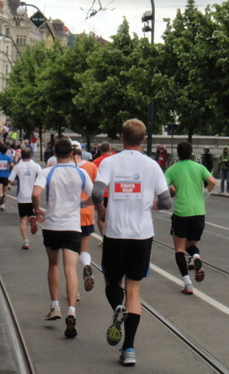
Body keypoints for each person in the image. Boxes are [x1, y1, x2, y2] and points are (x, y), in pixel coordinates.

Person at [92, 119, 172, 367]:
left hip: (116, 232)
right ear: (144, 138)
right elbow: (166, 202)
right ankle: (128, 349)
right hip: (141, 234)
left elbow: (96, 192)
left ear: (122, 137)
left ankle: (118, 306)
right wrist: (153, 205)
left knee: (111, 281)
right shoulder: (152, 166)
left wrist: (102, 210)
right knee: (134, 289)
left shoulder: (110, 162)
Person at [32, 138, 93, 339]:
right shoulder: (80, 173)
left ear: (54, 153)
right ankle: (72, 310)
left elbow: (35, 193)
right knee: (70, 269)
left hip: (52, 225)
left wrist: (36, 209)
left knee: (53, 265)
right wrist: (84, 203)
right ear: (72, 153)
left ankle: (55, 306)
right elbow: (97, 195)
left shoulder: (47, 172)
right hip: (72, 227)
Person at [165, 141, 217, 294]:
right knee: (191, 244)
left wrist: (173, 189)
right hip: (199, 212)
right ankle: (195, 256)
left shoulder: (172, 170)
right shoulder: (199, 167)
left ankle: (187, 284)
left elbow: (163, 186)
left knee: (179, 248)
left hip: (182, 212)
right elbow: (212, 181)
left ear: (178, 153)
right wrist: (205, 193)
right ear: (191, 152)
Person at [72, 143, 99, 291]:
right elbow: (96, 189)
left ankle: (74, 291)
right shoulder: (91, 166)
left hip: (70, 213)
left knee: (70, 255)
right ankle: (87, 265)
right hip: (87, 211)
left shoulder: (65, 168)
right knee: (84, 250)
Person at [0, 143, 14, 212]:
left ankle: (1, 196)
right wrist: (10, 170)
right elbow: (12, 165)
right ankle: (2, 206)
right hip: (6, 176)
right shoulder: (9, 157)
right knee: (5, 192)